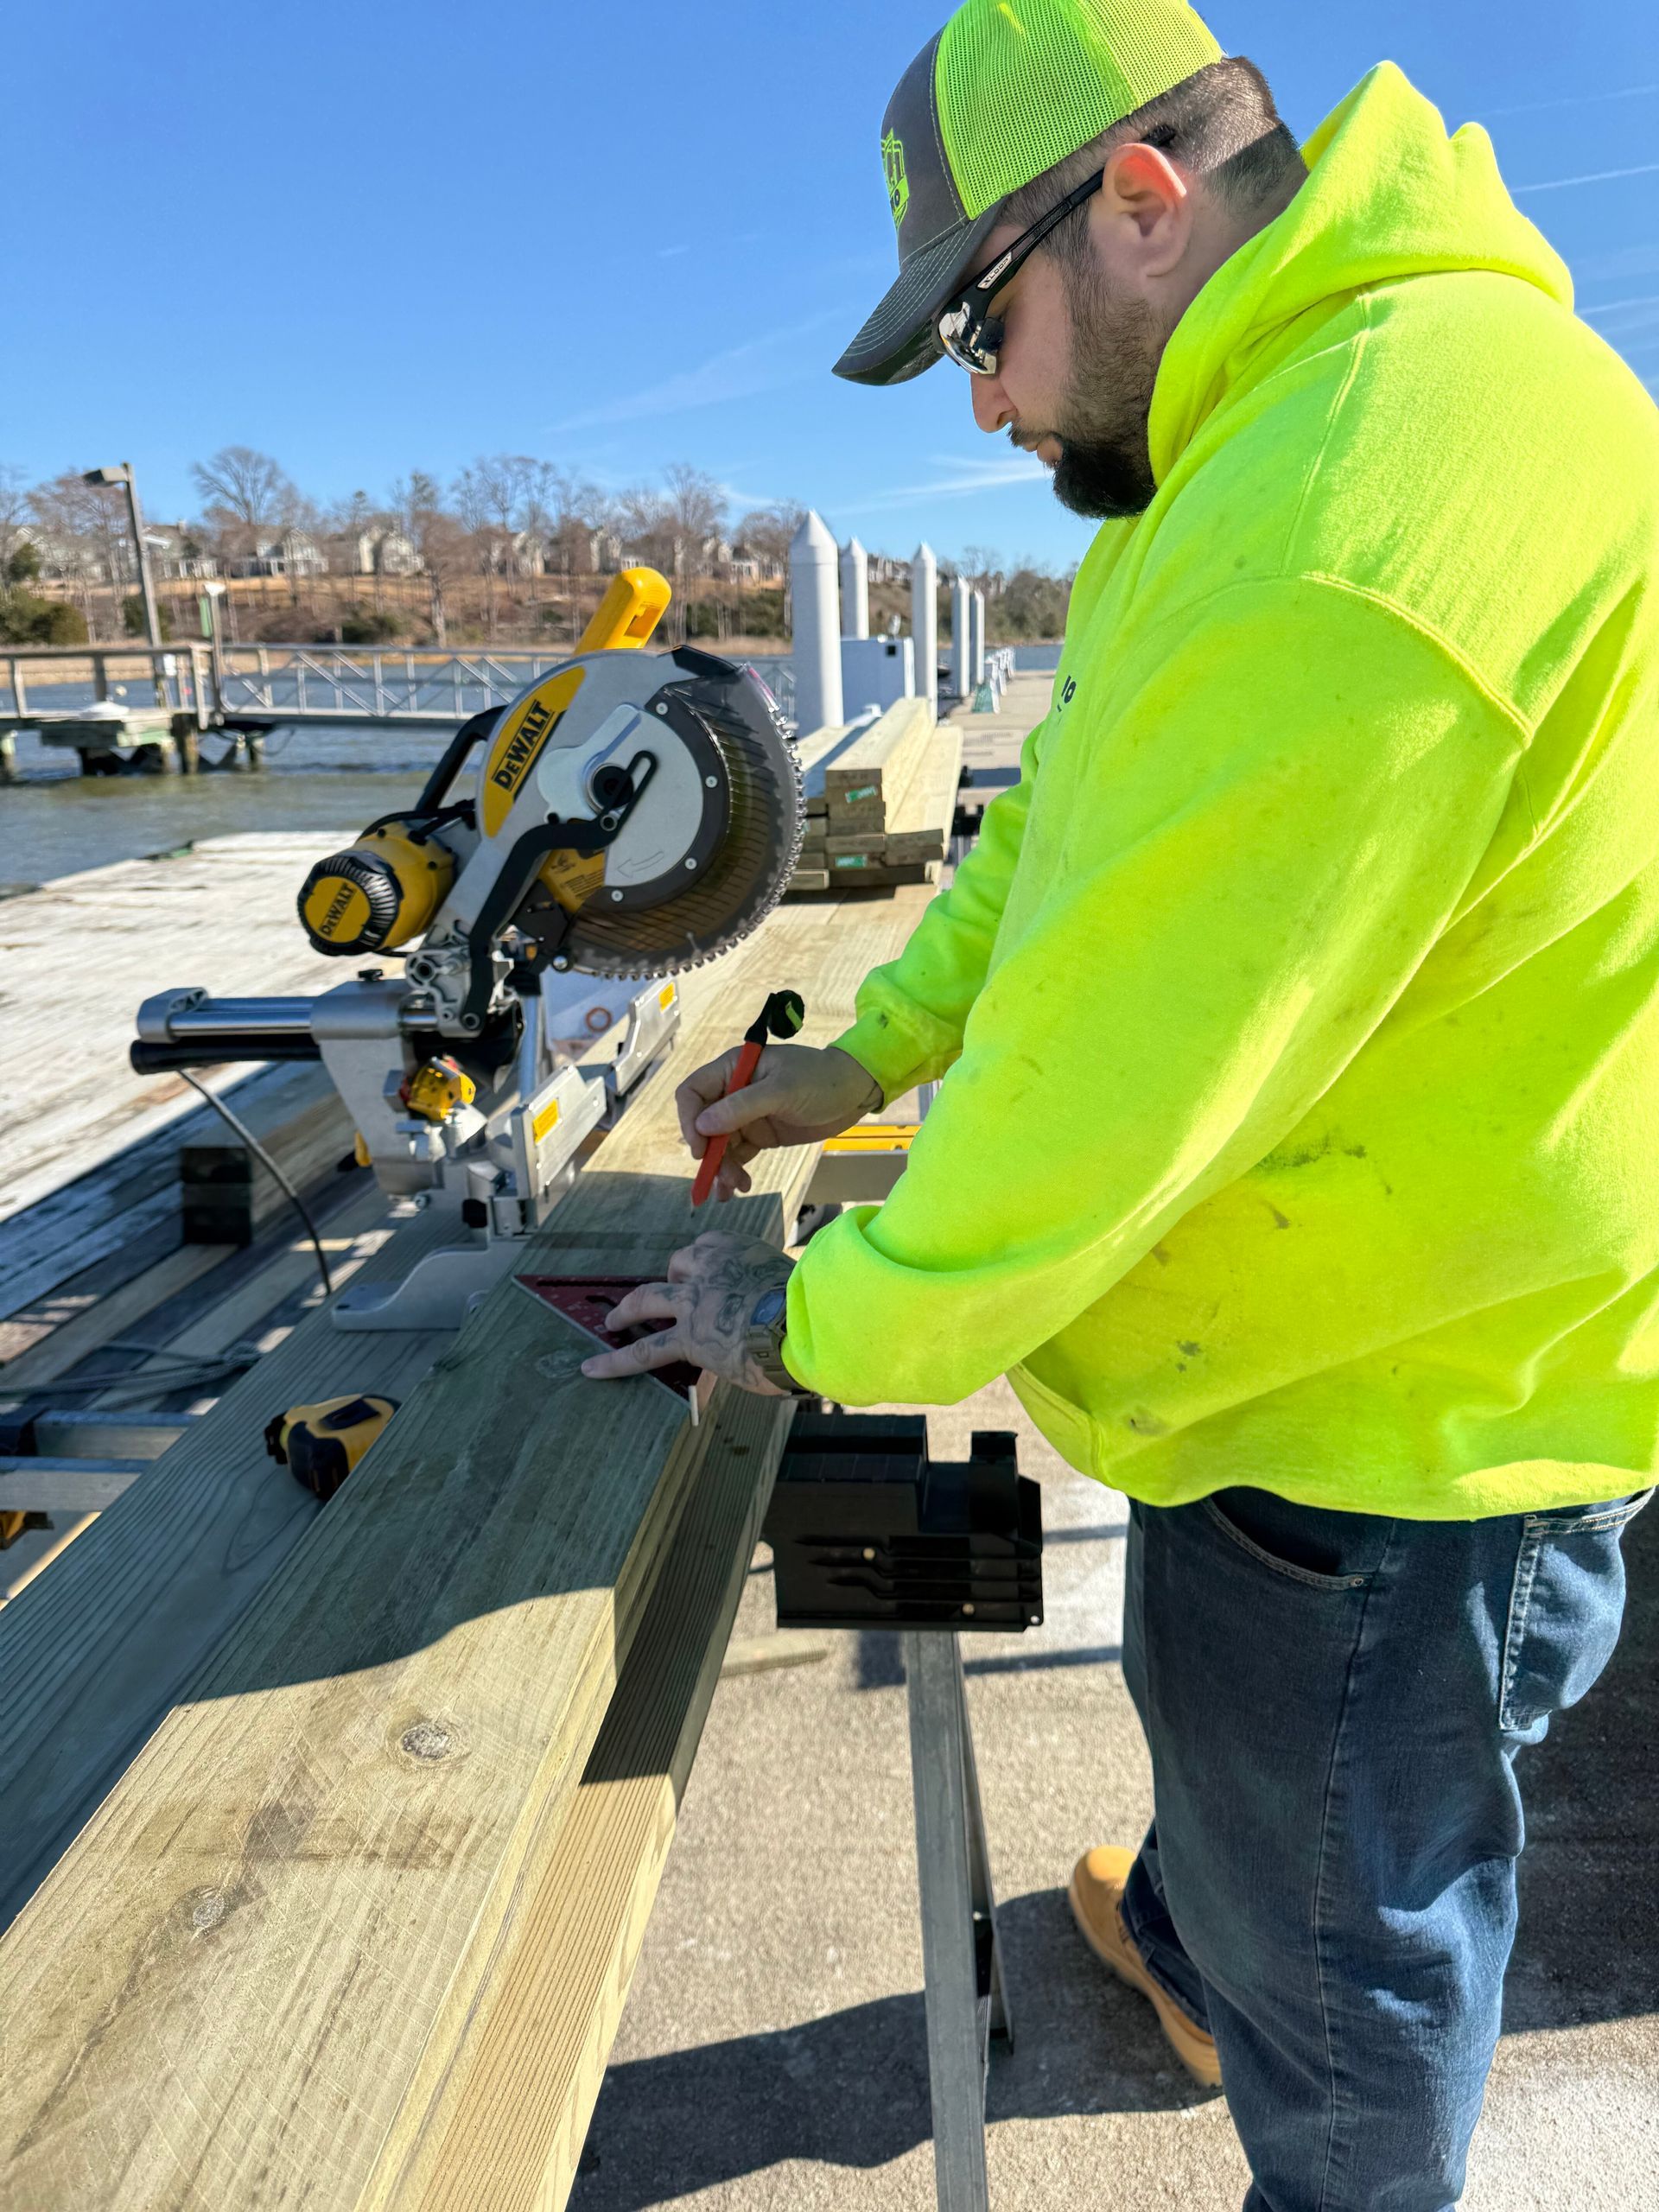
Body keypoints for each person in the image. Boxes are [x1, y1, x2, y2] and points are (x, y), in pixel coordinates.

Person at [582, 3, 1659, 2202]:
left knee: (1358, 1967)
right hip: (1331, 1330)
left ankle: (1301, 2074)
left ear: (1140, 200)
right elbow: (1066, 829)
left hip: (1390, 1440)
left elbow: (1112, 1090)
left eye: (981, 320)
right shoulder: (1262, 441)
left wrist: (816, 1318)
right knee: (1276, 1802)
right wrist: (869, 1049)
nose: (979, 394)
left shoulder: (1344, 516)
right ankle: (1197, 1921)